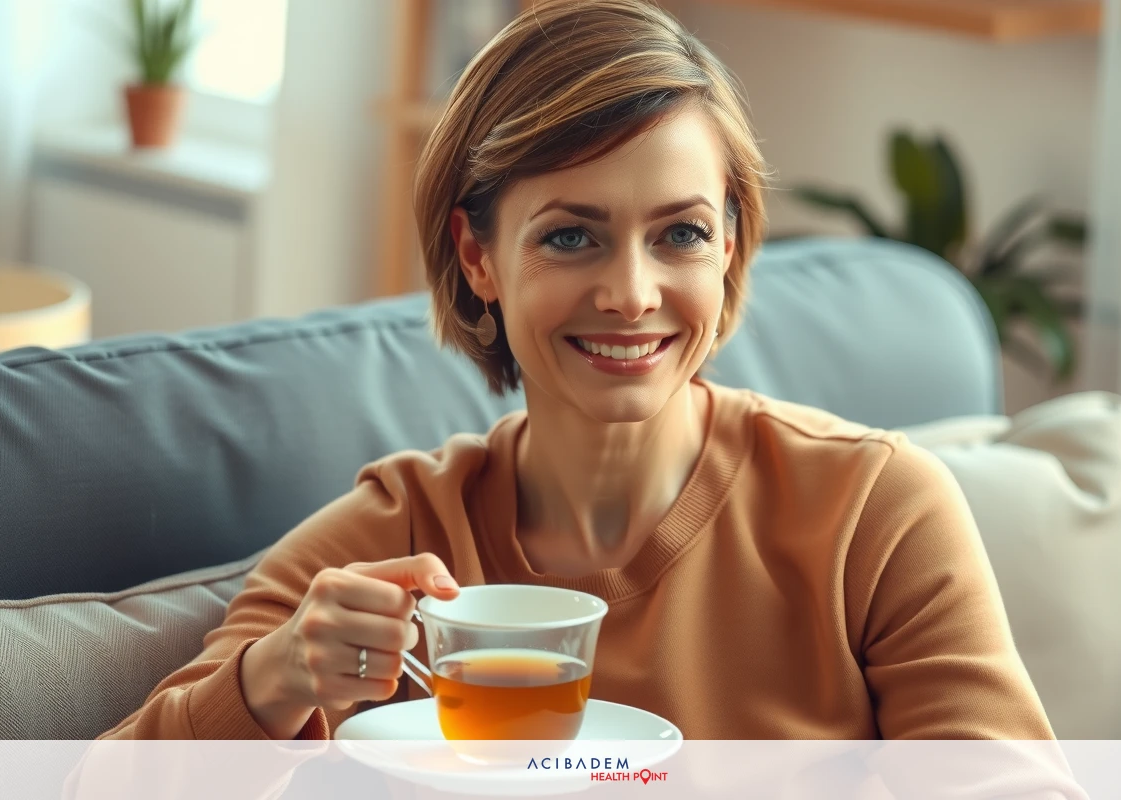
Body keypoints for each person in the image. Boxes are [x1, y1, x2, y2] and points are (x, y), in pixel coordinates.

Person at [99, 0, 1054, 741]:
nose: (631, 294)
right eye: (571, 237)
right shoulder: (385, 542)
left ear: (729, 247)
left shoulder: (875, 515)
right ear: (478, 258)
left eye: (679, 233)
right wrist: (271, 681)